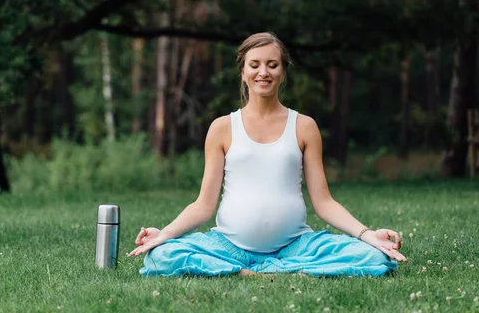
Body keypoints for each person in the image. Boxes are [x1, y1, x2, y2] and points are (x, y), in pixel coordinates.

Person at [128, 32, 407, 277]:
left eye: (272, 65)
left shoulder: (304, 126)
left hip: (297, 246)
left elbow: (324, 203)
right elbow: (203, 205)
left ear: (283, 72)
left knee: (373, 256)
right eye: (255, 65)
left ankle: (267, 270)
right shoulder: (222, 128)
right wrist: (163, 234)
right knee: (159, 256)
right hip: (228, 247)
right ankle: (258, 272)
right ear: (243, 72)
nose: (264, 72)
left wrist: (367, 235)